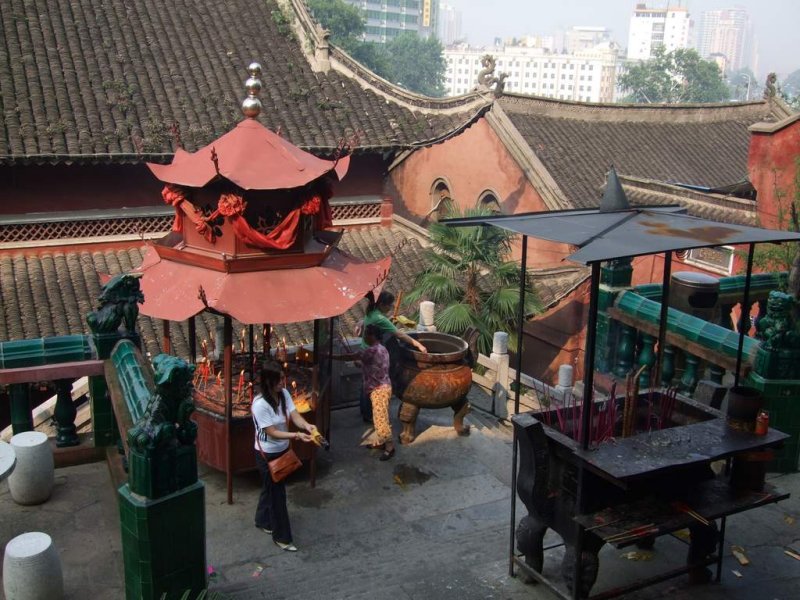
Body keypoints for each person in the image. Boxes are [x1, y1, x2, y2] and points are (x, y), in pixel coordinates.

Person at [252, 362, 317, 552]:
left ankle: (262, 520)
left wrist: (306, 426)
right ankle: (282, 537)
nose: (283, 382)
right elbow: (271, 432)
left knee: (271, 488)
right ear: (268, 381)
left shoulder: (284, 394)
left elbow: (294, 415)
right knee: (277, 495)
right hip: (267, 453)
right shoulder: (260, 405)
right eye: (279, 379)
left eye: (283, 377)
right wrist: (296, 436)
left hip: (282, 449)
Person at [358, 291, 427, 422]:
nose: (391, 307)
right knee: (374, 387)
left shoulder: (371, 312)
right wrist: (418, 344)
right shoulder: (380, 318)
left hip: (365, 351)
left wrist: (389, 321)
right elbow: (400, 335)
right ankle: (371, 415)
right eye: (389, 305)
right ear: (382, 304)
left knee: (365, 384)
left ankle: (365, 412)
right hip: (372, 356)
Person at [336, 324, 396, 461]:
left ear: (372, 336)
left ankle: (390, 447)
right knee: (378, 418)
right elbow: (373, 365)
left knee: (381, 420)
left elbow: (350, 356)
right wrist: (361, 364)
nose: (364, 337)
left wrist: (331, 356)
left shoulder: (371, 351)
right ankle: (382, 442)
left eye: (366, 334)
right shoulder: (382, 349)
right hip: (384, 387)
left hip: (379, 389)